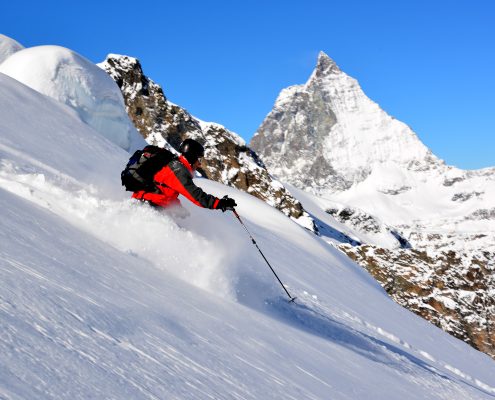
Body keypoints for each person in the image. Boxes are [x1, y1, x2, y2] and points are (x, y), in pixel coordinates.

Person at [132, 138, 237, 212]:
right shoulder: (179, 170)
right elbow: (197, 197)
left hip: (147, 203)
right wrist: (220, 203)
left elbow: (165, 189)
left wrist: (178, 208)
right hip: (147, 206)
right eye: (199, 159)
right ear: (192, 156)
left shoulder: (173, 165)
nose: (199, 163)